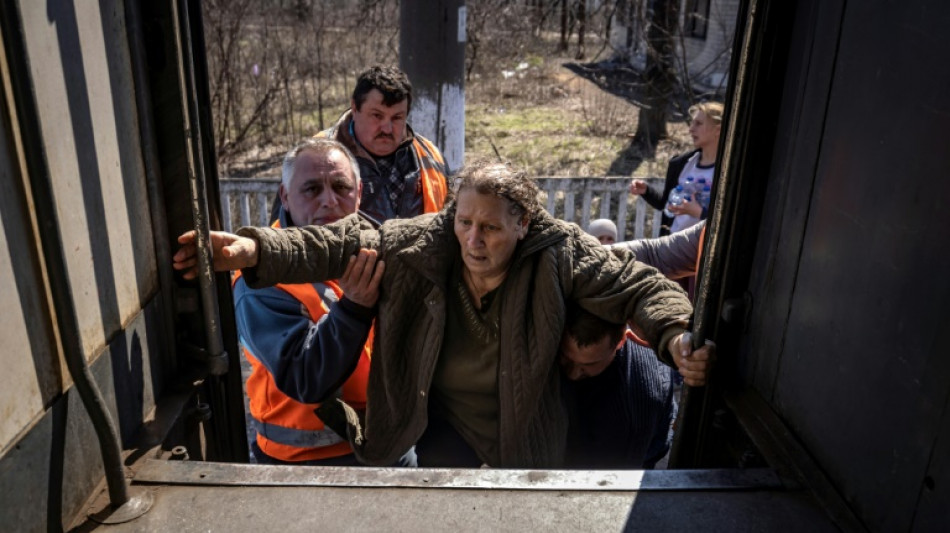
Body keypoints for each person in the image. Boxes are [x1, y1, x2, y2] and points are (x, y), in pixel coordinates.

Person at [174, 160, 713, 469]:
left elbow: (639, 285)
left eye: (491, 228)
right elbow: (339, 242)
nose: (473, 241)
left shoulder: (558, 252)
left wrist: (675, 336)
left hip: (525, 437)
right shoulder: (421, 244)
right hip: (438, 432)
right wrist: (254, 251)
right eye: (464, 222)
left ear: (523, 224)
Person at [234, 138, 408, 466]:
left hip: (388, 444)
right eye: (311, 189)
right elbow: (305, 376)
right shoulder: (259, 277)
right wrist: (354, 309)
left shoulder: (383, 247)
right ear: (285, 197)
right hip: (305, 462)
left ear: (359, 193)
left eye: (340, 187)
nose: (329, 201)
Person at [315, 65, 448, 225]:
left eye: (397, 117)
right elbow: (282, 235)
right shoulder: (314, 157)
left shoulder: (430, 156)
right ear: (355, 108)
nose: (387, 128)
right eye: (377, 115)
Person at [560, 304, 680, 469]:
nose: (572, 374)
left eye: (588, 365)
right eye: (566, 358)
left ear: (621, 341)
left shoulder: (637, 404)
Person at [629, 102, 723, 235]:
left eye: (699, 124)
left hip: (704, 248)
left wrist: (699, 213)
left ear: (718, 130)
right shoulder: (680, 163)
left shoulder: (729, 171)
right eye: (692, 123)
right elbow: (666, 206)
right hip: (673, 243)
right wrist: (647, 191)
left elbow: (728, 221)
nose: (691, 129)